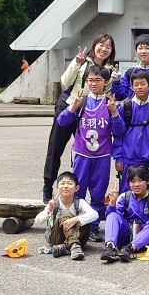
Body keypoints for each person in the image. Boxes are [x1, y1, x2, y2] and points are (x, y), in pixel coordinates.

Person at [42, 33, 115, 203]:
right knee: (55, 148)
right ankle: (47, 186)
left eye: (108, 46)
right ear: (94, 45)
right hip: (70, 106)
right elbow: (65, 81)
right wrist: (76, 62)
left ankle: (77, 194)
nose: (104, 49)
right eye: (101, 44)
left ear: (112, 50)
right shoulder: (82, 62)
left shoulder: (109, 71)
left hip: (89, 114)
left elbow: (107, 95)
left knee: (82, 152)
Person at [56, 64, 122, 242]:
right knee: (78, 191)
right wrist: (72, 108)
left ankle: (93, 227)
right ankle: (74, 224)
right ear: (85, 81)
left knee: (98, 194)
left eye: (98, 80)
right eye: (90, 80)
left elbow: (119, 131)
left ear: (105, 82)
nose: (94, 83)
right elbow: (61, 122)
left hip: (102, 156)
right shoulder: (81, 101)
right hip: (82, 155)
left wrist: (115, 113)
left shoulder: (110, 103)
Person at [112, 69, 149, 193]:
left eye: (143, 84)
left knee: (148, 196)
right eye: (136, 84)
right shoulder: (125, 107)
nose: (139, 87)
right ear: (131, 87)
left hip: (148, 162)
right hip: (127, 160)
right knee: (126, 196)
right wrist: (118, 158)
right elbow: (118, 135)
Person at [100, 165, 149, 263]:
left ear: (148, 181)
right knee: (112, 215)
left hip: (145, 238)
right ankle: (110, 247)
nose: (136, 184)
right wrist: (112, 204)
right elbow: (113, 219)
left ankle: (130, 248)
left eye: (140, 180)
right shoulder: (124, 197)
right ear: (128, 183)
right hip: (126, 236)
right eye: (132, 181)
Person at [33, 171, 98, 260]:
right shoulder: (55, 203)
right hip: (56, 237)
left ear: (76, 188)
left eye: (69, 183)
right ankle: (74, 245)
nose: (65, 186)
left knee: (86, 217)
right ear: (57, 188)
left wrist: (75, 219)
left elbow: (95, 215)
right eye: (62, 183)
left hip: (79, 237)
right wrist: (49, 210)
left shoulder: (80, 202)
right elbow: (37, 221)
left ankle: (65, 247)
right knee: (66, 214)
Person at [112, 33, 149, 100]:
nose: (143, 51)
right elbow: (121, 96)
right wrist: (116, 82)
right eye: (140, 48)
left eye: (147, 48)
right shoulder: (130, 72)